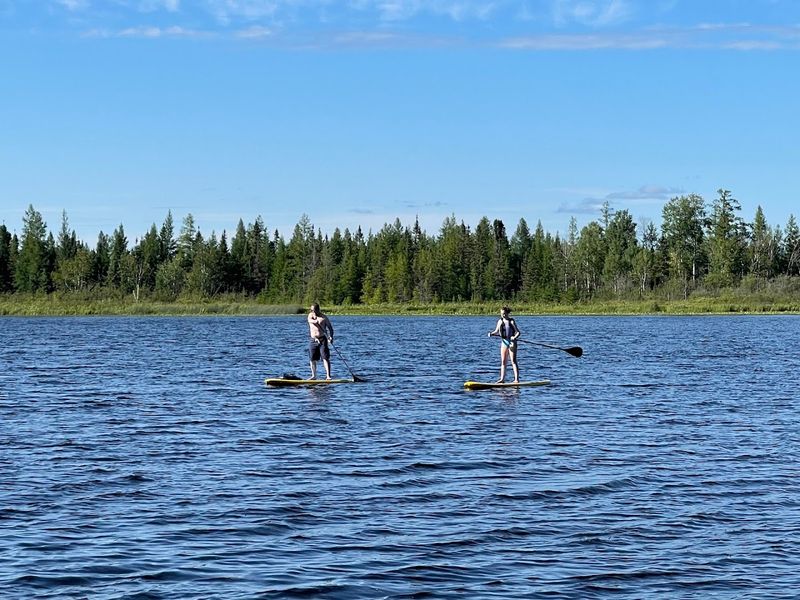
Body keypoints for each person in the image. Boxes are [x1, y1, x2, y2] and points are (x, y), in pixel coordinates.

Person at [488, 306, 520, 383]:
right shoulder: (500, 321)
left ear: (507, 313)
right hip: (504, 342)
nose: (503, 315)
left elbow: (518, 332)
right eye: (502, 314)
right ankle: (502, 379)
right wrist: (491, 334)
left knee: (513, 361)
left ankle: (516, 379)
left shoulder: (511, 321)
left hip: (512, 343)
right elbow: (496, 331)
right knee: (503, 361)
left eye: (505, 314)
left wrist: (514, 337)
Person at [307, 302, 334, 379]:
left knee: (325, 358)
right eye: (311, 310)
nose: (313, 312)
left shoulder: (324, 318)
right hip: (313, 340)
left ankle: (328, 376)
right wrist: (314, 321)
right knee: (312, 358)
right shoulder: (310, 316)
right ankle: (314, 376)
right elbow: (310, 321)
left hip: (322, 339)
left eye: (314, 310)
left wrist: (331, 337)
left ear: (318, 310)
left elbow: (330, 328)